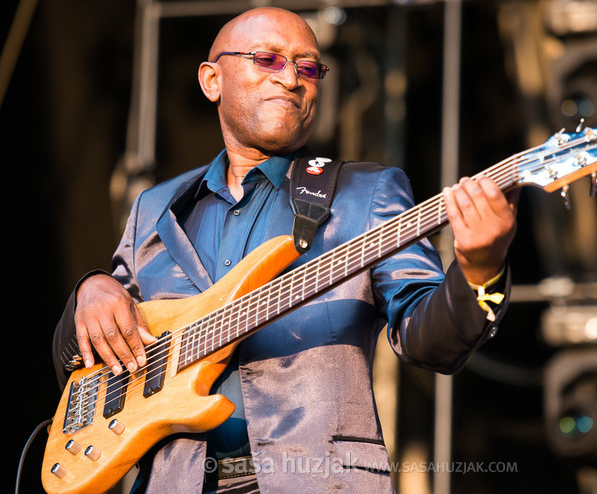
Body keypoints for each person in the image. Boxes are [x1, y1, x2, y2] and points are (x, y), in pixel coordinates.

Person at [52, 6, 518, 493]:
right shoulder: (155, 207)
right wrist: (92, 290)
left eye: (309, 66)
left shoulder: (366, 194)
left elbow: (432, 343)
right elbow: (85, 361)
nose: (293, 78)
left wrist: (479, 269)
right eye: (268, 59)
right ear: (213, 80)